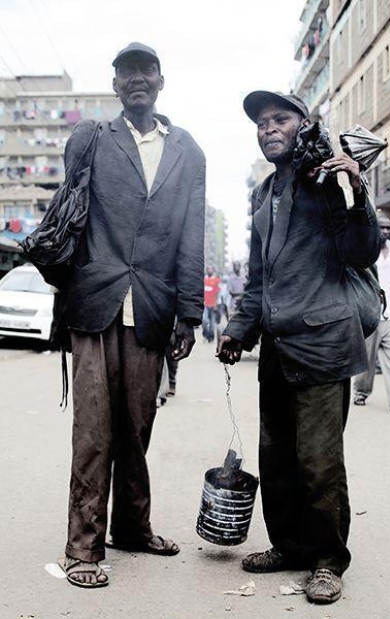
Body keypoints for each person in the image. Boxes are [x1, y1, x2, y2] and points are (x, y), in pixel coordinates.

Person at [217, 91, 379, 604]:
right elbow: (259, 279)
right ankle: (288, 546)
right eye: (261, 123)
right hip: (277, 347)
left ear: (303, 125)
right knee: (278, 456)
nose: (268, 128)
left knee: (319, 460)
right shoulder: (263, 194)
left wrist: (354, 186)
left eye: (279, 118)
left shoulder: (325, 179)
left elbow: (360, 250)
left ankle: (328, 560)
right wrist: (238, 329)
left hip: (324, 340)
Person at [57, 42, 205, 588]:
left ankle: (132, 528)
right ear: (115, 85)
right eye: (125, 72)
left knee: (137, 425)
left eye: (145, 70)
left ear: (161, 81)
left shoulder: (188, 150)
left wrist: (189, 311)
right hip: (95, 303)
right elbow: (68, 212)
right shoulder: (92, 137)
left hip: (151, 307)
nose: (135, 79)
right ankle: (84, 548)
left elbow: (191, 236)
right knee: (94, 427)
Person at [353, 215, 390, 414]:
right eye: (382, 228)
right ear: (374, 229)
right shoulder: (367, 252)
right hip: (370, 315)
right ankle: (360, 393)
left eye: (388, 228)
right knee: (367, 360)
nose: (385, 232)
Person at [202, 265, 221, 342]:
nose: (210, 270)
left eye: (211, 269)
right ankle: (205, 334)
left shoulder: (216, 280)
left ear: (213, 271)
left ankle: (211, 337)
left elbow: (217, 293)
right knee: (204, 320)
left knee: (212, 323)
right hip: (205, 304)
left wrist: (216, 304)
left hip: (213, 304)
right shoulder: (203, 280)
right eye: (208, 269)